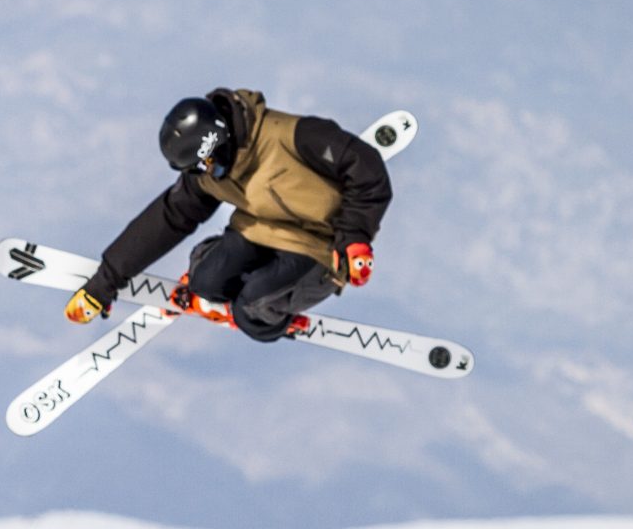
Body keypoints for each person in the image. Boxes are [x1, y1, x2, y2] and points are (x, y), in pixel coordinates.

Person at [65, 89, 391, 342]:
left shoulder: (288, 136)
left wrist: (353, 239)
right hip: (256, 231)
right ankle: (220, 282)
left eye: (207, 165)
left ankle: (271, 315)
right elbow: (166, 219)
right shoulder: (207, 173)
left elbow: (367, 169)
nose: (206, 174)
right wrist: (103, 285)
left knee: (253, 308)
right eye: (194, 170)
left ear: (219, 141)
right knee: (206, 282)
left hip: (318, 243)